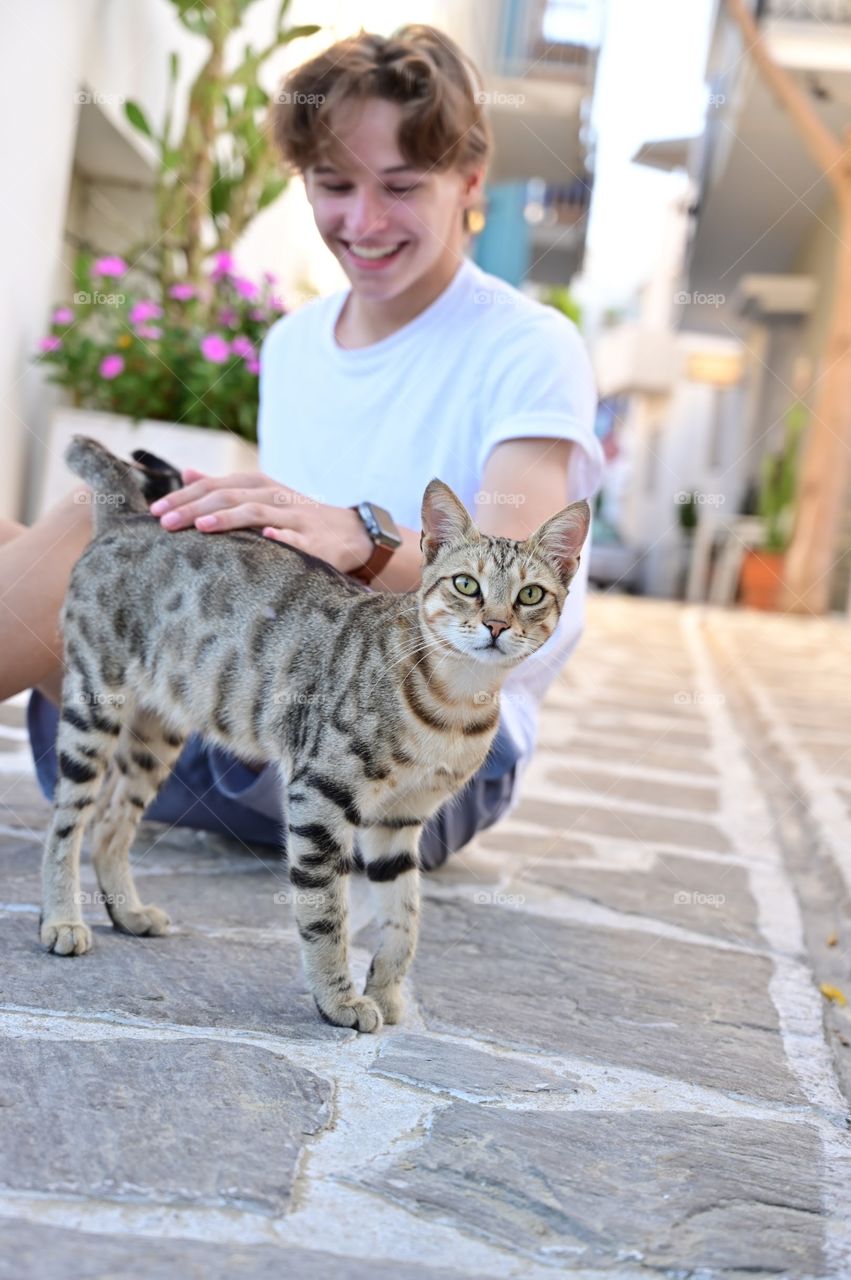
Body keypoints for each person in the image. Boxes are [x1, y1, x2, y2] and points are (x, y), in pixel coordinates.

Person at [6, 24, 603, 870]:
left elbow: (519, 581)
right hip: (265, 699)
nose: (362, 221)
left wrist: (360, 538)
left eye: (400, 186)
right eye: (333, 185)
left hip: (425, 740)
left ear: (468, 182)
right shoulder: (292, 343)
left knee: (102, 515)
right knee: (38, 542)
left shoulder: (527, 347)